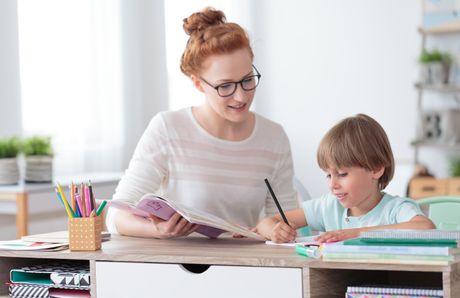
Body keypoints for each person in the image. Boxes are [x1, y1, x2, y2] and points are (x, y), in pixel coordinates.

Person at [106, 7, 298, 238]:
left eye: (247, 80)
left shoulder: (273, 137)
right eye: (225, 86)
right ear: (198, 84)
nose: (241, 96)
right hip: (179, 266)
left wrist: (274, 230)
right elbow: (116, 216)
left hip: (246, 265)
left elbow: (286, 218)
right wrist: (158, 230)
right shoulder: (169, 129)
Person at [256, 114, 436, 244]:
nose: (333, 185)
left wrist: (356, 233)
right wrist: (274, 231)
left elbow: (425, 227)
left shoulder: (395, 209)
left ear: (376, 168)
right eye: (328, 175)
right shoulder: (328, 206)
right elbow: (266, 222)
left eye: (342, 174)